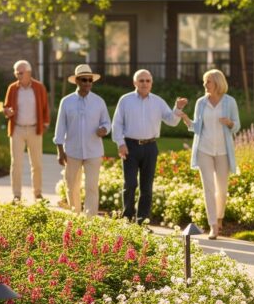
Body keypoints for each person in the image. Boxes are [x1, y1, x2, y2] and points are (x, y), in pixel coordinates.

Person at [111, 69, 188, 224]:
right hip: (130, 146)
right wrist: (120, 143)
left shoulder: (158, 101)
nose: (144, 83)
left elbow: (171, 121)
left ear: (151, 83)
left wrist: (178, 108)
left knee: (147, 186)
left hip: (150, 147)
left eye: (147, 81)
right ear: (135, 83)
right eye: (141, 80)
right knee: (130, 183)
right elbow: (117, 123)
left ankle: (142, 221)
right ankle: (127, 218)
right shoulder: (125, 100)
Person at [180, 69, 240, 240]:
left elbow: (237, 125)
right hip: (204, 150)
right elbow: (196, 127)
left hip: (223, 151)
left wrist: (230, 123)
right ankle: (213, 225)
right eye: (204, 82)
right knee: (209, 188)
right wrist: (185, 119)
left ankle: (219, 217)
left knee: (222, 189)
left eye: (208, 82)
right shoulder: (201, 103)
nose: (205, 85)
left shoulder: (230, 102)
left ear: (218, 83)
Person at [54, 64, 110, 216]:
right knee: (72, 186)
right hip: (72, 151)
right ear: (77, 81)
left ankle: (90, 220)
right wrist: (60, 151)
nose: (87, 83)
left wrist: (104, 129)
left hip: (94, 151)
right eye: (84, 80)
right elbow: (60, 128)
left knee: (92, 186)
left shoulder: (99, 102)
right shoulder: (66, 102)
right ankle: (76, 216)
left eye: (90, 80)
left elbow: (107, 122)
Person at [3, 60, 49, 203]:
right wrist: (7, 112)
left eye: (20, 72)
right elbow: (6, 108)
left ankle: (38, 194)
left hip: (35, 129)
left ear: (28, 73)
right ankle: (16, 195)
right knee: (16, 164)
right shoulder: (12, 88)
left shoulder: (39, 87)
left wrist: (46, 123)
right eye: (16, 72)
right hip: (17, 129)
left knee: (37, 164)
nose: (18, 75)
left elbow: (45, 107)